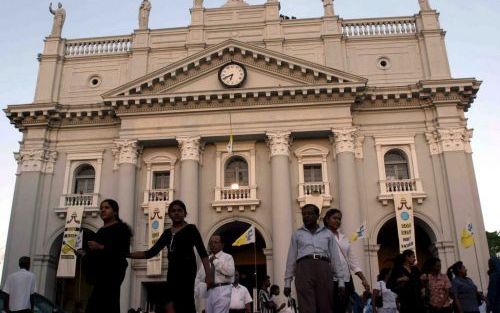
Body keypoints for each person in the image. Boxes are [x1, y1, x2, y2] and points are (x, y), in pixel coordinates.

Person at [129, 200, 211, 313]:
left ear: (185, 213)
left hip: (187, 270)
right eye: (173, 211)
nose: (176, 213)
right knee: (169, 302)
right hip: (172, 272)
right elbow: (150, 253)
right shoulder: (167, 233)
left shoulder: (191, 229)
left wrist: (208, 274)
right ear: (170, 214)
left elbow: (202, 252)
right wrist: (127, 254)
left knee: (186, 301)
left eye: (179, 210)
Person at [284, 204, 346, 313]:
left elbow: (335, 257)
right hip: (303, 268)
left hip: (324, 268)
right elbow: (291, 258)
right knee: (306, 305)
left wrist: (341, 280)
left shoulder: (327, 234)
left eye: (309, 214)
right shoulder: (297, 234)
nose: (306, 216)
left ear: (317, 216)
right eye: (304, 214)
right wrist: (287, 282)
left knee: (325, 305)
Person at [85, 199, 132, 313]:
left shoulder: (122, 228)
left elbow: (123, 251)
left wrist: (100, 247)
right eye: (101, 208)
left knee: (108, 304)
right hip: (99, 276)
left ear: (115, 212)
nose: (103, 210)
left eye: (106, 207)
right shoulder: (100, 231)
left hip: (112, 275)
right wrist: (85, 254)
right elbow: (95, 253)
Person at [323, 208, 371, 313]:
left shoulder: (343, 237)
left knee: (344, 307)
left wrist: (363, 279)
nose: (337, 221)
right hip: (330, 279)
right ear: (327, 219)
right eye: (334, 218)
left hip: (346, 279)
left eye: (339, 219)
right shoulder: (321, 236)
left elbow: (352, 260)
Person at [204, 233, 235, 313]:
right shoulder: (207, 259)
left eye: (215, 242)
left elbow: (230, 272)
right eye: (211, 243)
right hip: (209, 291)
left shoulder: (228, 257)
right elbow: (202, 276)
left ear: (222, 245)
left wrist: (215, 261)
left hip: (222, 289)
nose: (212, 245)